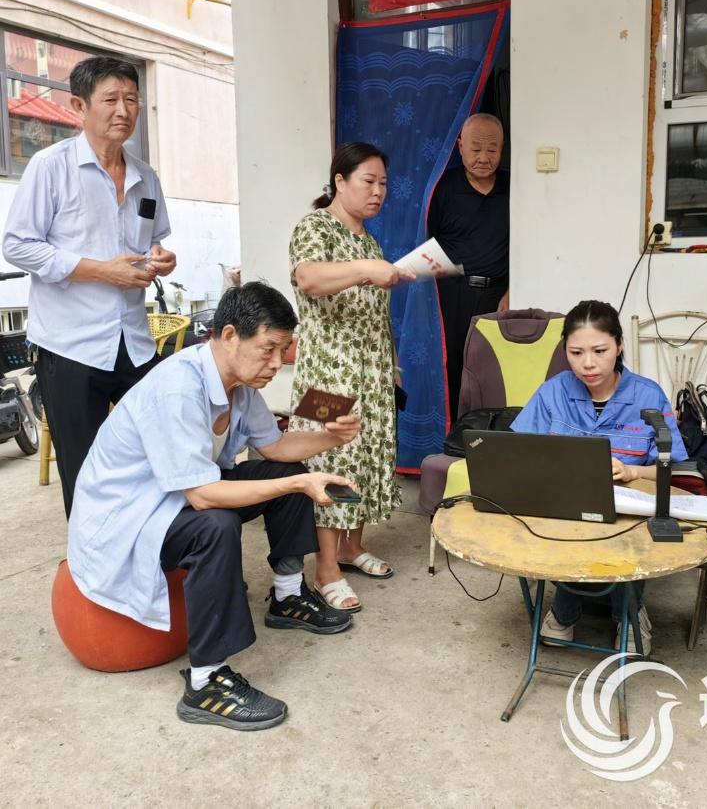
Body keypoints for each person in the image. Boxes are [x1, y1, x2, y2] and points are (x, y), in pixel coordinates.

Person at [68, 282, 358, 730]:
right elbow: (203, 496)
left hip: (173, 499)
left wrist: (331, 438)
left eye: (282, 350)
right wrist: (301, 483)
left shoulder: (240, 387)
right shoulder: (178, 387)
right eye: (268, 349)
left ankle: (287, 596)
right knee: (216, 524)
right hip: (129, 518)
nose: (277, 363)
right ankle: (206, 681)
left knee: (284, 473)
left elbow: (276, 447)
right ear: (228, 336)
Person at [2, 55, 176, 517]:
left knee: (165, 446)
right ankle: (92, 557)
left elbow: (154, 242)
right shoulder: (50, 166)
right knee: (85, 472)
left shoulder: (146, 177)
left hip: (134, 341)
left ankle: (156, 543)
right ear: (79, 106)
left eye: (132, 99)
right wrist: (102, 271)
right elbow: (17, 245)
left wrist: (163, 259)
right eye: (111, 99)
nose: (124, 110)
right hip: (70, 346)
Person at [510, 300, 687, 654]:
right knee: (558, 527)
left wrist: (633, 471)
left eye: (599, 351)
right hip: (565, 508)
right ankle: (564, 612)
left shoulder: (648, 396)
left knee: (628, 535)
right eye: (576, 353)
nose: (587, 363)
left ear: (619, 345)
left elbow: (675, 470)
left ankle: (629, 613)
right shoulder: (553, 392)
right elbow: (518, 454)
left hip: (626, 511)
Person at [289, 142, 413, 613]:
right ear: (339, 181)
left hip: (372, 372)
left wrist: (393, 368)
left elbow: (378, 317)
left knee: (367, 457)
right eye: (368, 181)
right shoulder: (315, 227)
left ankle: (351, 546)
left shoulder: (370, 242)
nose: (378, 191)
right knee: (333, 461)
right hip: (328, 372)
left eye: (384, 183)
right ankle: (325, 568)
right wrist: (365, 270)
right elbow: (309, 279)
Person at [427, 113, 510, 422]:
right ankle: (453, 433)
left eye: (492, 149)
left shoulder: (513, 186)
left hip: (498, 295)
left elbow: (530, 242)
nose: (484, 158)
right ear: (460, 146)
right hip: (453, 294)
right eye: (475, 149)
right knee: (452, 367)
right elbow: (426, 241)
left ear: (503, 148)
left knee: (494, 368)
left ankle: (491, 434)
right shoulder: (443, 188)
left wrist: (512, 289)